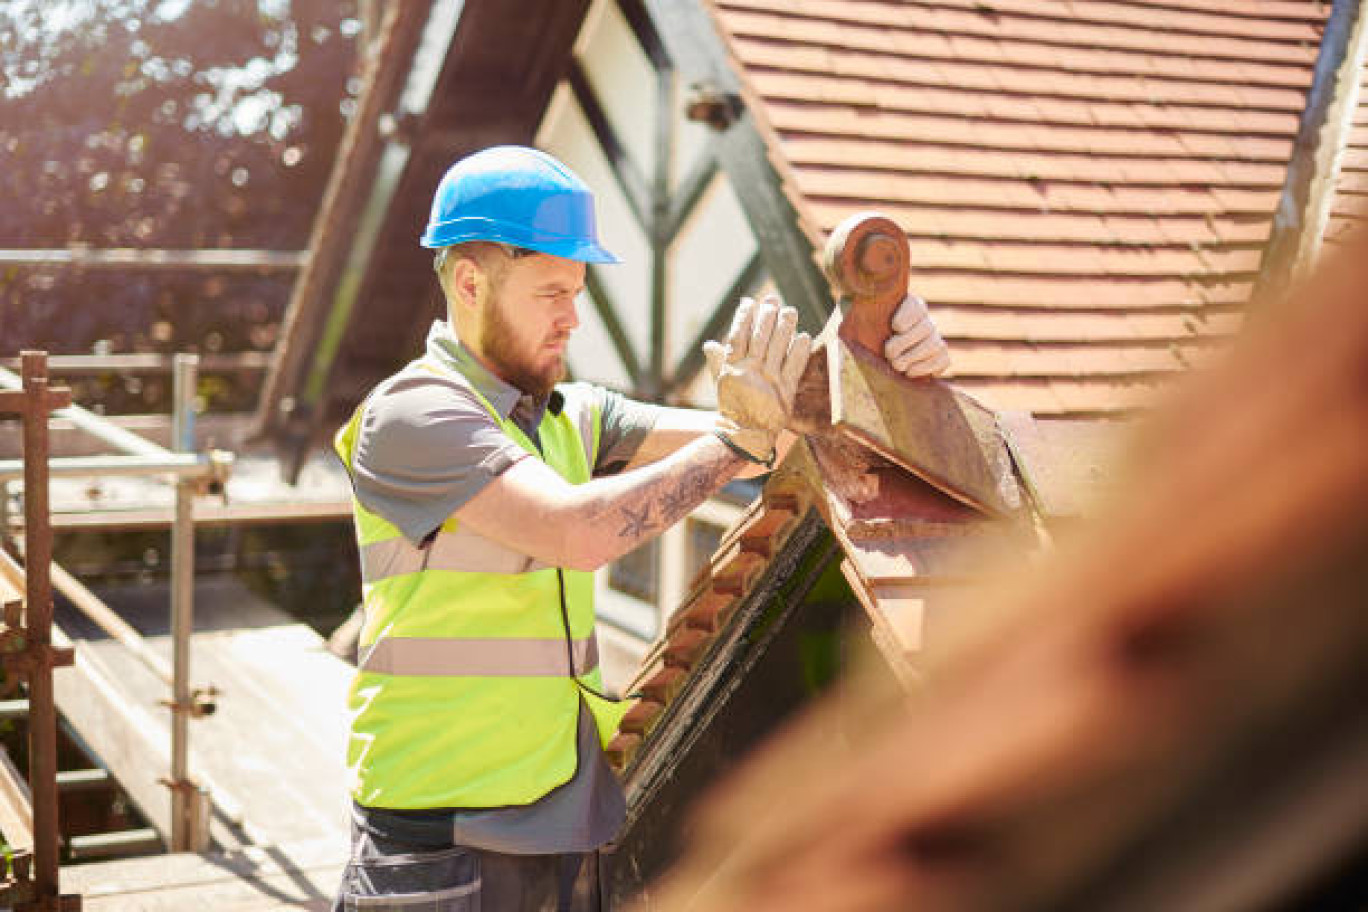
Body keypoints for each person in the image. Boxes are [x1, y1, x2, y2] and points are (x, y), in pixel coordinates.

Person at [330, 145, 950, 911]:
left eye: (579, 290)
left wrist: (882, 350)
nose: (573, 315)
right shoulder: (412, 415)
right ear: (468, 283)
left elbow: (777, 435)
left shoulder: (569, 416)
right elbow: (579, 531)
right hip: (440, 847)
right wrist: (735, 443)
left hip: (560, 826)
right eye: (551, 292)